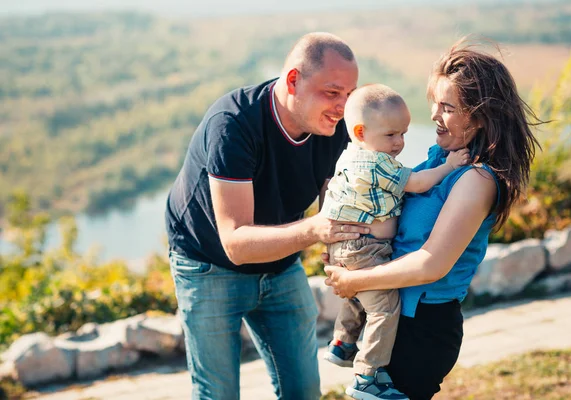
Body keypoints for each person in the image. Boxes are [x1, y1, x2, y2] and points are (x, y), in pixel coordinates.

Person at [324, 37, 540, 400]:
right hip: (395, 316)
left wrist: (353, 279)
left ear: (481, 114)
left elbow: (431, 264)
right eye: (435, 103)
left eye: (448, 107)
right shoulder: (438, 160)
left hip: (422, 328)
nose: (435, 116)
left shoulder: (478, 179)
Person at [165, 32, 369, 400]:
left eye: (349, 95)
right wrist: (316, 229)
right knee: (219, 394)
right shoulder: (233, 124)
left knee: (304, 391)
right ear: (293, 80)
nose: (343, 107)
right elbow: (237, 244)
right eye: (332, 92)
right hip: (207, 264)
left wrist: (345, 251)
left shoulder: (333, 126)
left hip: (279, 263)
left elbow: (330, 205)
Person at [319, 84, 469, 400]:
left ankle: (343, 342)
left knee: (359, 298)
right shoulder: (375, 162)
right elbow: (415, 183)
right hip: (366, 248)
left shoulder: (350, 156)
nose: (400, 143)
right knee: (385, 307)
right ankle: (367, 375)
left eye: (404, 134)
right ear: (361, 131)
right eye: (391, 135)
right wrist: (450, 166)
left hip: (350, 247)